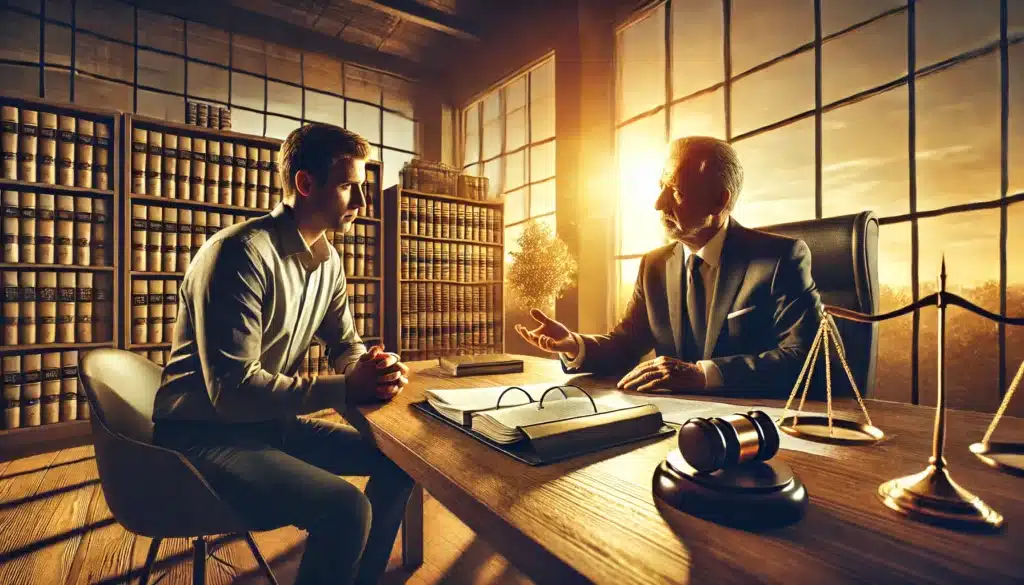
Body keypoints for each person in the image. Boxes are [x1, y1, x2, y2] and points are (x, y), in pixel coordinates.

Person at [151, 123, 413, 585]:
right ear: (305, 184)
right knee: (345, 508)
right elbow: (231, 393)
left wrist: (369, 368)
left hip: (268, 425)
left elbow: (344, 342)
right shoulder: (239, 254)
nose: (362, 204)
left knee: (401, 463)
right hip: (202, 433)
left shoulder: (328, 260)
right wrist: (347, 387)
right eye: (350, 186)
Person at [516, 136, 823, 395]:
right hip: (670, 423)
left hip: (753, 429)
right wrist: (575, 345)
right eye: (661, 186)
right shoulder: (654, 266)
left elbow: (806, 360)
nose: (658, 203)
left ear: (719, 202)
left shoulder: (780, 259)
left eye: (676, 191)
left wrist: (704, 375)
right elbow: (625, 346)